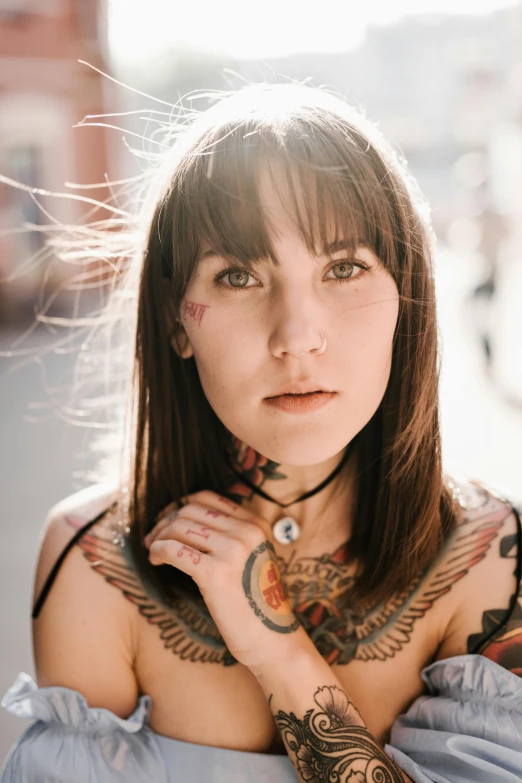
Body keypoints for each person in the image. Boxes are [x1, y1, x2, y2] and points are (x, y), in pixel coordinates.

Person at [1, 82, 522, 783]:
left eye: (343, 267)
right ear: (175, 320)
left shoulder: (492, 555)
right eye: (239, 275)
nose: (297, 336)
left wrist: (276, 648)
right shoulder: (95, 562)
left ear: (407, 295)